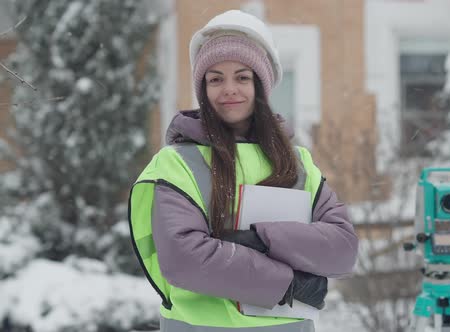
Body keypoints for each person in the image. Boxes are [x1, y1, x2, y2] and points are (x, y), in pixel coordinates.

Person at [128, 9, 358, 332]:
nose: (229, 89)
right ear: (203, 89)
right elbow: (184, 260)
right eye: (215, 78)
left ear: (260, 86)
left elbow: (343, 249)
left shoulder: (298, 162)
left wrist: (263, 240)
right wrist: (288, 282)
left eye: (242, 76)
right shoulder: (177, 162)